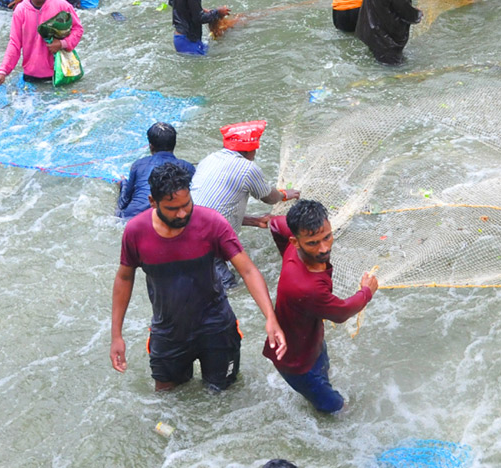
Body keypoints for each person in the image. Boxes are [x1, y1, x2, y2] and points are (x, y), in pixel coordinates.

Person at [110, 162, 287, 391]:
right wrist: (117, 335)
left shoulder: (211, 222)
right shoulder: (136, 231)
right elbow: (124, 278)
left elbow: (248, 270)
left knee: (224, 395)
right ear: (153, 202)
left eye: (186, 204)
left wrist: (270, 317)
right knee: (167, 397)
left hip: (216, 326)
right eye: (173, 208)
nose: (182, 213)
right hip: (168, 331)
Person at [263, 199, 377, 413]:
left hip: (309, 339)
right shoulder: (308, 288)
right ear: (295, 242)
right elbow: (342, 312)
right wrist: (366, 291)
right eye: (313, 243)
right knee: (336, 408)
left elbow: (276, 224)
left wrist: (284, 256)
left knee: (323, 365)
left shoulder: (294, 242)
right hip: (297, 364)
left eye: (327, 237)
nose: (324, 248)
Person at [191, 121, 299, 289]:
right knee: (228, 288)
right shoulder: (247, 168)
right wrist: (285, 195)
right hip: (206, 242)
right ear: (250, 150)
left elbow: (215, 210)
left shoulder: (208, 159)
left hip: (186, 233)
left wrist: (255, 221)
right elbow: (270, 198)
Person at [0, 0, 84, 87]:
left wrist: (62, 44)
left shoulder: (61, 5)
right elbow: (14, 43)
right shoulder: (21, 11)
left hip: (59, 74)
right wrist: (3, 71)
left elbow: (78, 29)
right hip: (31, 75)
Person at [116, 122, 198, 220]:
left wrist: (124, 183)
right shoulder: (187, 167)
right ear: (174, 144)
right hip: (168, 217)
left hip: (131, 216)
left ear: (151, 146)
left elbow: (124, 201)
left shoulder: (138, 165)